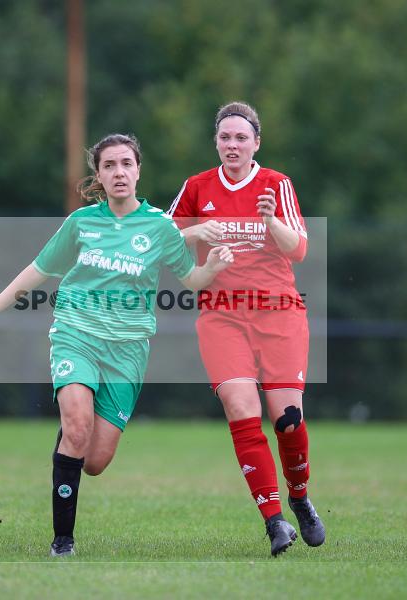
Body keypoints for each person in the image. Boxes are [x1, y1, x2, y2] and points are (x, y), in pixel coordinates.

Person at [0, 133, 233, 557]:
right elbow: (38, 270)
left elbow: (191, 282)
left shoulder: (161, 227)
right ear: (98, 175)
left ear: (139, 170)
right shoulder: (81, 223)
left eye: (126, 164)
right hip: (76, 336)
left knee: (96, 461)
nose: (119, 172)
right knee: (79, 429)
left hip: (128, 351)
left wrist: (210, 266)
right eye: (109, 166)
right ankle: (62, 542)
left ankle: (71, 437)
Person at [167, 102, 325, 556]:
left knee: (288, 422)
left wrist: (270, 220)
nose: (232, 145)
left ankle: (299, 497)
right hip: (221, 315)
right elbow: (160, 238)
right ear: (216, 141)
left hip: (279, 313)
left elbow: (299, 250)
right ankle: (275, 522)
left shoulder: (277, 184)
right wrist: (200, 232)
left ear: (256, 142)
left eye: (241, 137)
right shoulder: (197, 187)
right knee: (241, 410)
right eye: (224, 137)